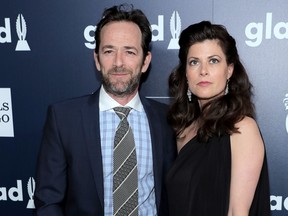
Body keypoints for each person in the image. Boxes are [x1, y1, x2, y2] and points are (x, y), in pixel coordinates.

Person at [34, 4, 176, 216]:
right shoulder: (64, 119)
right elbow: (48, 202)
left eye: (129, 51)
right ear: (97, 60)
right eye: (109, 51)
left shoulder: (167, 120)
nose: (118, 63)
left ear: (145, 61)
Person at [165, 21, 270, 216]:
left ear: (229, 70)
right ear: (186, 73)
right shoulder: (183, 131)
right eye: (194, 62)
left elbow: (237, 211)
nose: (203, 70)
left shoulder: (242, 128)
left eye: (213, 60)